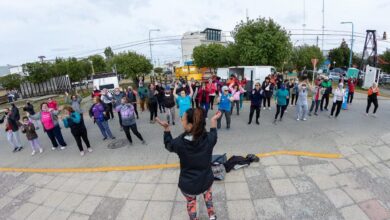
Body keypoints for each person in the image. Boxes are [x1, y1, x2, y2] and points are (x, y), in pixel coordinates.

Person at [155, 109, 221, 220]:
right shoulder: (209, 139)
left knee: (191, 203)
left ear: (190, 126)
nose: (181, 120)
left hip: (188, 185)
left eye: (183, 119)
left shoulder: (179, 143)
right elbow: (214, 133)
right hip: (206, 180)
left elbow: (168, 145)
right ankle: (212, 216)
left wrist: (166, 129)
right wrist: (214, 120)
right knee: (208, 198)